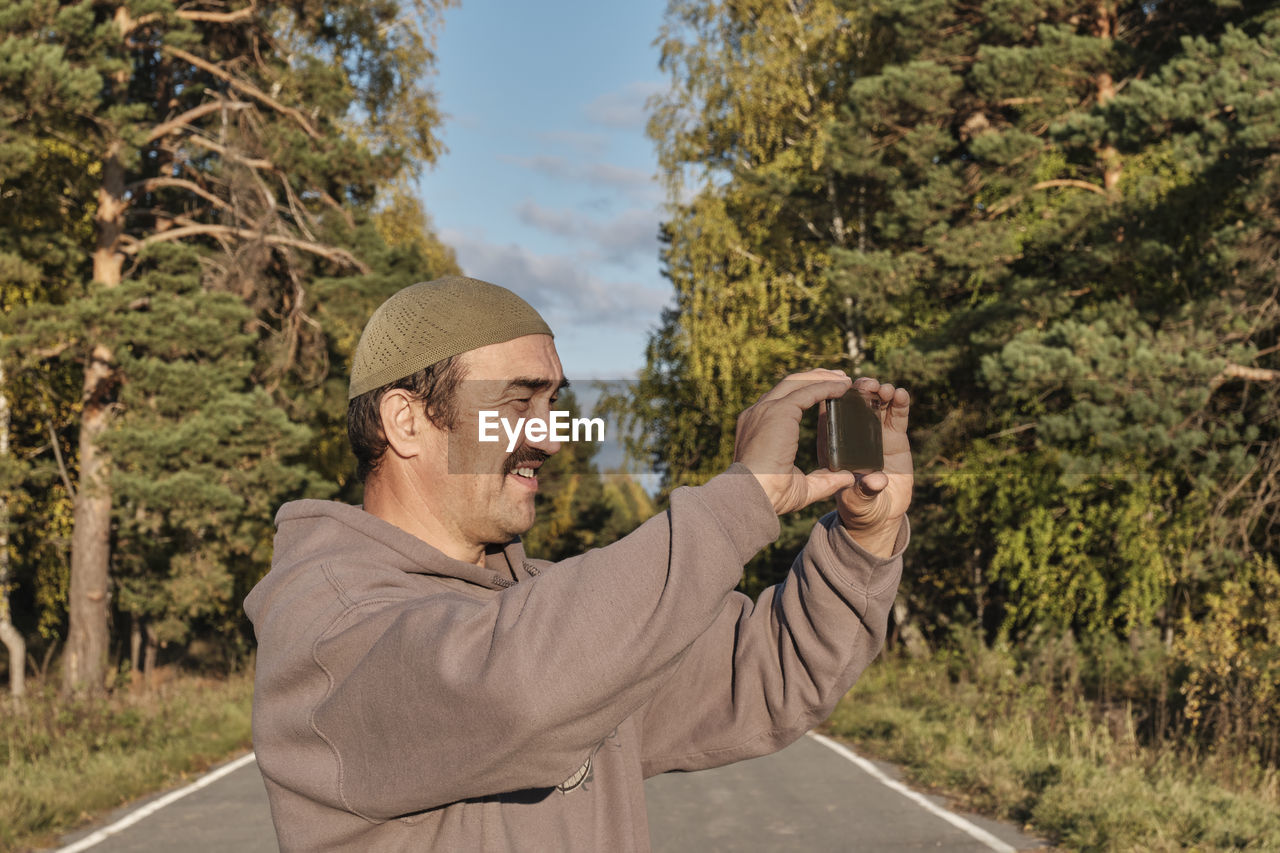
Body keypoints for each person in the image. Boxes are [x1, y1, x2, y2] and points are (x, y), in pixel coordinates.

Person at [245, 275, 913, 851]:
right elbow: (510, 687)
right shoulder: (330, 632)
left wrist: (864, 538)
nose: (552, 436)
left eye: (552, 403)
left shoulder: (545, 614)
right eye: (517, 403)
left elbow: (764, 669)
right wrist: (741, 501)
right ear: (406, 421)